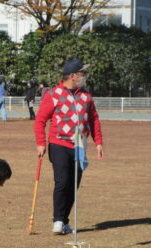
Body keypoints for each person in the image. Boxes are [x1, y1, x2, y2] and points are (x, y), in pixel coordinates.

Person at [34, 58, 103, 235]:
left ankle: (64, 221)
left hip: (80, 145)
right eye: (82, 73)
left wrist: (98, 142)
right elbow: (40, 120)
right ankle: (57, 220)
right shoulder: (53, 94)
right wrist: (41, 143)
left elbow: (94, 119)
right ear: (72, 76)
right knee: (62, 182)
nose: (84, 76)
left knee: (74, 184)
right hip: (58, 144)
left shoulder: (86, 95)